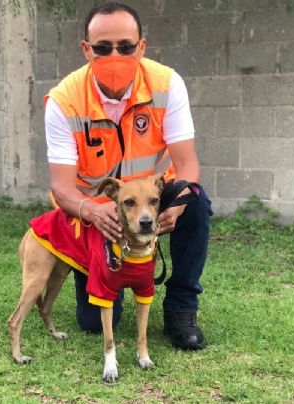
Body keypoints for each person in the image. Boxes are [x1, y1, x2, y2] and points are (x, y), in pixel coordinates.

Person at [43, 2, 212, 349]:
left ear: (142, 47)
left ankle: (181, 307)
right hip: (93, 209)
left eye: (126, 46)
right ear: (87, 50)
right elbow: (61, 188)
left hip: (152, 193)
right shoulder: (64, 99)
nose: (115, 55)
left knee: (196, 201)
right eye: (103, 48)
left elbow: (188, 165)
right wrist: (92, 211)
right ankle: (98, 270)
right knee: (93, 323)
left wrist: (175, 206)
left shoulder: (167, 83)